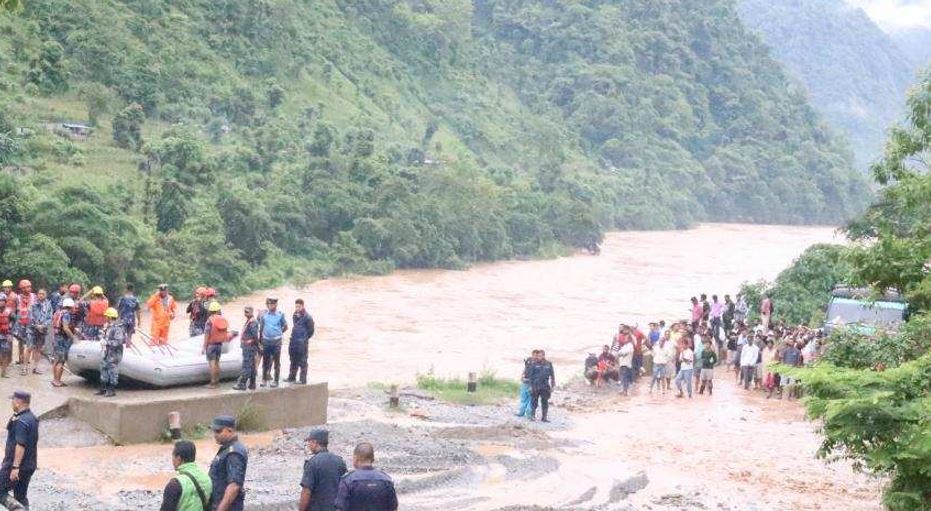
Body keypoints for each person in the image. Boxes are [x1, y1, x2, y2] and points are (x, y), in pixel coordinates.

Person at [0, 391, 38, 511]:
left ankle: (17, 509)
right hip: (29, 465)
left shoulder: (21, 421)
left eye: (13, 400)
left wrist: (15, 468)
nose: (11, 403)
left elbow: (20, 445)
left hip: (15, 465)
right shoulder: (31, 418)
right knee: (20, 495)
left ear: (18, 402)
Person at [335, 443, 398, 511]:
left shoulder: (348, 480)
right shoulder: (386, 480)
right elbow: (393, 507)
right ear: (373, 458)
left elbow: (340, 507)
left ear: (356, 458)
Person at [299, 429, 347, 511]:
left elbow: (306, 491)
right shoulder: (340, 461)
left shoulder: (312, 463)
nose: (308, 445)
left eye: (309, 442)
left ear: (315, 442)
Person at [209, 415, 248, 511]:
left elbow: (234, 486)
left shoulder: (234, 453)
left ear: (230, 430)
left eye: (218, 431)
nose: (215, 434)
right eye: (214, 431)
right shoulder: (226, 449)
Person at [159, 440, 213, 511]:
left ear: (179, 458)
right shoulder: (207, 479)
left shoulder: (174, 484)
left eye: (173, 456)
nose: (172, 460)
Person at [96, 308, 129, 398]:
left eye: (106, 316)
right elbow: (106, 336)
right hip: (107, 352)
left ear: (110, 317)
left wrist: (107, 342)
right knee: (104, 369)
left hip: (114, 354)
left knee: (112, 371)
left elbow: (119, 341)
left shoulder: (118, 328)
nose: (105, 318)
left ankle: (111, 390)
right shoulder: (109, 326)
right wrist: (102, 337)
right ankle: (103, 388)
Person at [258, 297, 288, 388]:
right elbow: (261, 328)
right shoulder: (264, 315)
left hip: (276, 341)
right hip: (266, 341)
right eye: (269, 304)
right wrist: (260, 341)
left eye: (273, 304)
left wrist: (278, 332)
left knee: (276, 361)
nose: (271, 306)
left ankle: (276, 380)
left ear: (276, 305)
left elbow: (285, 326)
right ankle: (264, 379)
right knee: (265, 361)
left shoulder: (280, 315)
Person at [202, 302, 233, 389]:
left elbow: (207, 334)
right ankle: (217, 381)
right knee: (217, 363)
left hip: (211, 345)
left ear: (211, 311)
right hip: (219, 345)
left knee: (212, 364)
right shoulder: (223, 319)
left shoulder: (210, 320)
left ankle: (212, 383)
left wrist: (204, 346)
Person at [286, 299, 315, 385]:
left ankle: (302, 380)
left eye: (299, 306)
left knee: (303, 361)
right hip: (294, 340)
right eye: (296, 306)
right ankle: (292, 377)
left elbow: (311, 331)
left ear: (303, 306)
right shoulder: (295, 315)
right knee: (293, 359)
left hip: (302, 342)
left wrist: (304, 338)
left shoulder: (308, 317)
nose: (297, 308)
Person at [51, 298, 78, 388]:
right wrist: (73, 338)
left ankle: (54, 379)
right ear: (70, 306)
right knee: (61, 361)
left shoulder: (58, 312)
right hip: (62, 339)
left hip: (56, 338)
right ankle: (57, 381)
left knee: (56, 360)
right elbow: (66, 328)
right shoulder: (67, 314)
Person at [232, 306, 260, 391]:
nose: (246, 313)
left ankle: (242, 383)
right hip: (248, 346)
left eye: (247, 312)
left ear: (252, 312)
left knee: (246, 365)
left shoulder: (252, 323)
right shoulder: (249, 321)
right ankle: (252, 383)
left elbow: (255, 336)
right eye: (245, 312)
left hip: (249, 347)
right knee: (251, 366)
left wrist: (258, 345)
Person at [25, 289, 52, 376]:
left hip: (42, 330)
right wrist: (37, 326)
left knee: (38, 349)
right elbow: (30, 317)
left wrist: (43, 326)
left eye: (43, 294)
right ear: (37, 295)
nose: (41, 295)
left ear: (46, 295)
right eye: (39, 293)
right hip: (32, 330)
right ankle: (25, 368)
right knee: (29, 348)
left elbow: (49, 318)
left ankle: (35, 368)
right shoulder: (32, 304)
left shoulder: (48, 305)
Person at [528, 350, 555, 422]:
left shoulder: (549, 364)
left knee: (545, 402)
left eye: (541, 356)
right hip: (535, 385)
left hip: (545, 386)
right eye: (538, 356)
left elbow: (552, 375)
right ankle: (532, 416)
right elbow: (530, 376)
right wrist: (530, 386)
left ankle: (544, 417)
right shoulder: (534, 364)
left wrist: (553, 385)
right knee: (534, 401)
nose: (539, 357)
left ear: (543, 356)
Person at [12, 281, 35, 367]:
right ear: (22, 289)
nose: (29, 288)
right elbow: (13, 310)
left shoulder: (34, 296)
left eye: (29, 287)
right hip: (20, 323)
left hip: (30, 323)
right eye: (27, 287)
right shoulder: (17, 298)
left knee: (30, 342)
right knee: (20, 341)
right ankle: (21, 358)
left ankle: (27, 359)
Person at [516, 351, 535, 417]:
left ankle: (529, 414)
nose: (534, 356)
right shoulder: (529, 360)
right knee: (523, 398)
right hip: (525, 382)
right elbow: (525, 369)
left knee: (531, 399)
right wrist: (522, 376)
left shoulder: (539, 364)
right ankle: (521, 412)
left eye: (536, 355)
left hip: (532, 384)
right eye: (533, 355)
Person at [0, 294, 14, 379]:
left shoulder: (9, 311)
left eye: (2, 301)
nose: (1, 302)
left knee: (5, 354)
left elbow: (15, 320)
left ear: (5, 302)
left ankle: (4, 372)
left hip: (5, 335)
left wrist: (10, 331)